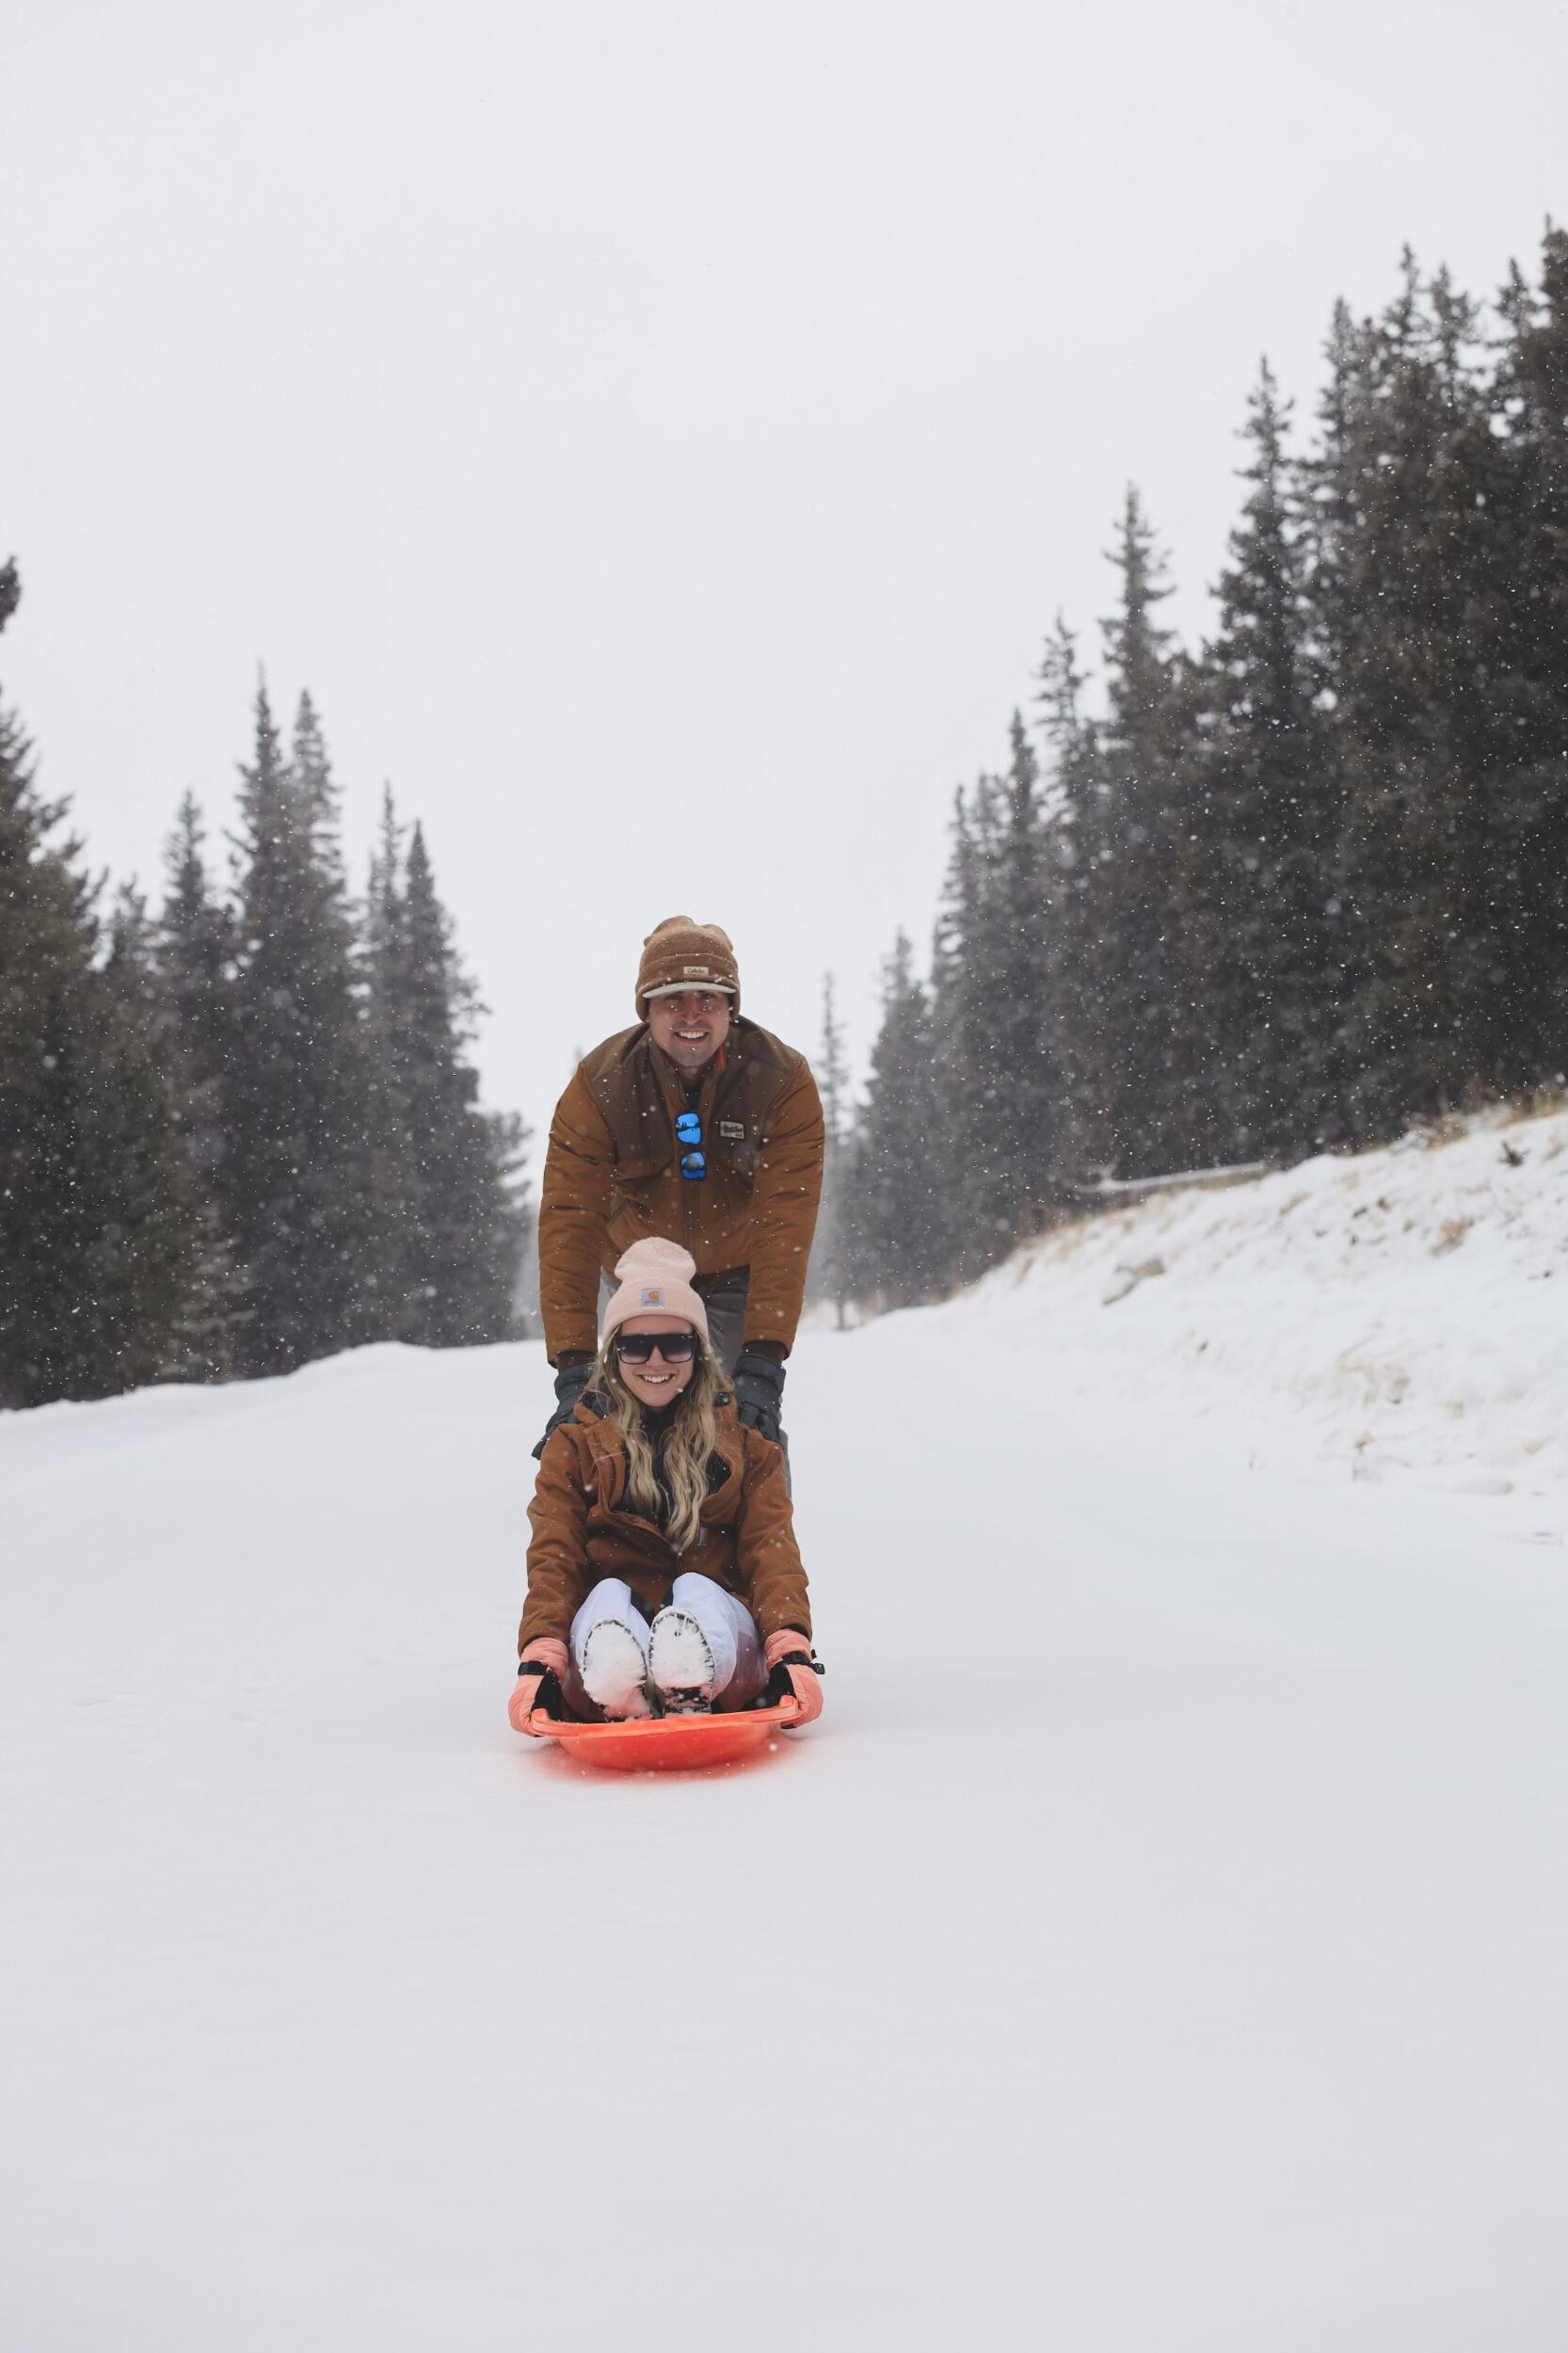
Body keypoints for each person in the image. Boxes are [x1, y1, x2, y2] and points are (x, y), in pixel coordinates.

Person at [535, 917, 824, 1456]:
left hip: (736, 1272)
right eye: (672, 999)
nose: (691, 1014)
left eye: (707, 998)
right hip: (635, 1271)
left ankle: (754, 1532)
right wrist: (573, 1367)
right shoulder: (600, 1084)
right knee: (623, 1428)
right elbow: (569, 1221)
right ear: (645, 1008)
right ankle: (620, 1530)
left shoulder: (780, 1081)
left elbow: (786, 1223)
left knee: (741, 1430)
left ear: (731, 1006)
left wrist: (764, 1358)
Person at [515, 1238, 822, 1724]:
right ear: (613, 1354)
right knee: (605, 1598)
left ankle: (689, 1682)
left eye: (674, 1343)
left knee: (698, 1591)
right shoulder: (574, 1446)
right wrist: (541, 1657)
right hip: (607, 1641)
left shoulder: (744, 1441)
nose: (655, 1361)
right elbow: (555, 1555)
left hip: (725, 1653)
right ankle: (619, 1683)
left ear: (698, 1351)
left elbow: (772, 1549)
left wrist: (789, 1646)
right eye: (635, 1346)